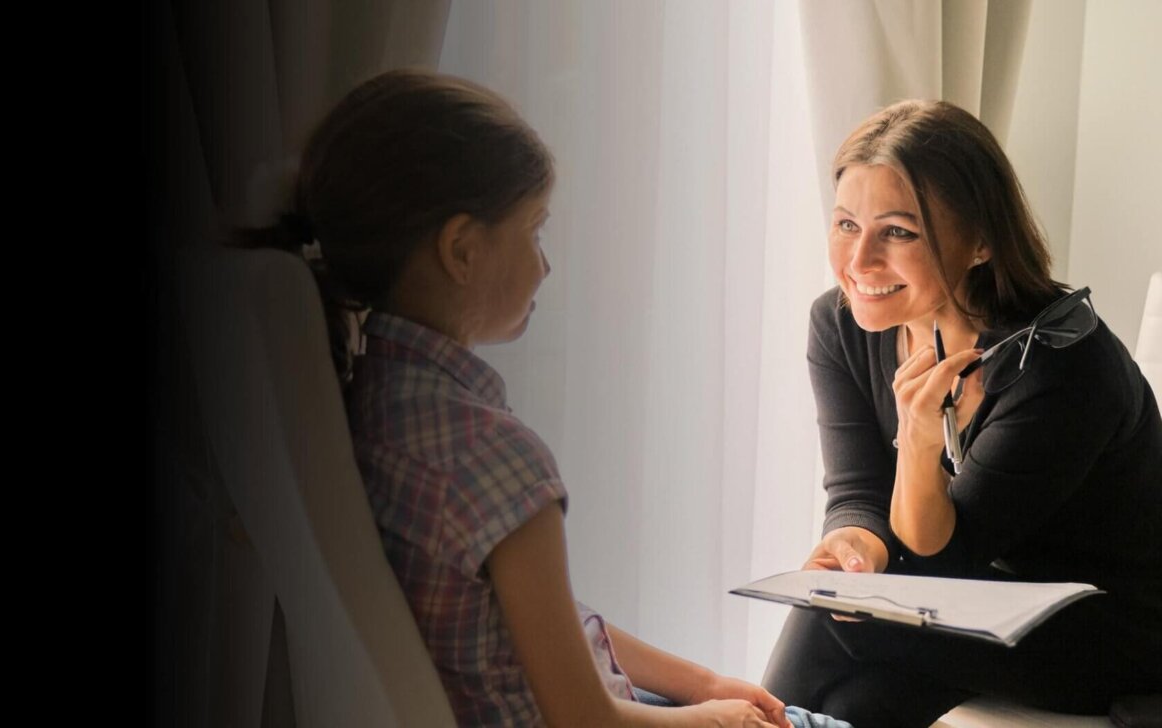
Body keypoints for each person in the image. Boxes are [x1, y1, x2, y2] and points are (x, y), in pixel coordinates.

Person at [247, 68, 851, 727]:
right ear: (462, 249)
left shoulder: (366, 406)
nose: (545, 264)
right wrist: (715, 719)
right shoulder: (496, 459)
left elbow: (554, 624)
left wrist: (701, 683)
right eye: (534, 232)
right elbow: (585, 719)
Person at [761, 99, 1162, 727]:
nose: (859, 262)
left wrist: (920, 442)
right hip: (980, 608)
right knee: (858, 706)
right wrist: (856, 544)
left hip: (1110, 625)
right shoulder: (841, 324)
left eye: (898, 231)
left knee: (829, 621)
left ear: (979, 241)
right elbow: (857, 492)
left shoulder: (1063, 365)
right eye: (845, 225)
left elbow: (944, 563)